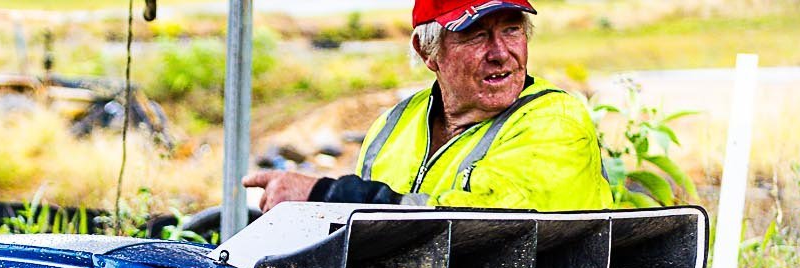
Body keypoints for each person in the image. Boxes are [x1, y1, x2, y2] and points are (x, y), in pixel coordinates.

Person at [244, 0, 613, 211]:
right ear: (427, 52)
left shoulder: (555, 120)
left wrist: (325, 195)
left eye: (511, 30)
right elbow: (360, 239)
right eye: (476, 35)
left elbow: (486, 225)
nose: (500, 53)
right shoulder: (392, 124)